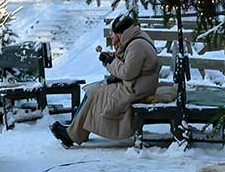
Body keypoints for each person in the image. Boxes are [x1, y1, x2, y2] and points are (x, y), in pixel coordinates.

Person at [51, 11, 159, 148]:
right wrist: (113, 57)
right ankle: (74, 131)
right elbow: (130, 65)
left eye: (114, 34)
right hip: (136, 85)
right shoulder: (135, 41)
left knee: (95, 93)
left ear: (121, 33)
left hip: (135, 89)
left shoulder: (136, 45)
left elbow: (127, 73)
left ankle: (72, 134)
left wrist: (111, 62)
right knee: (92, 90)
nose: (112, 36)